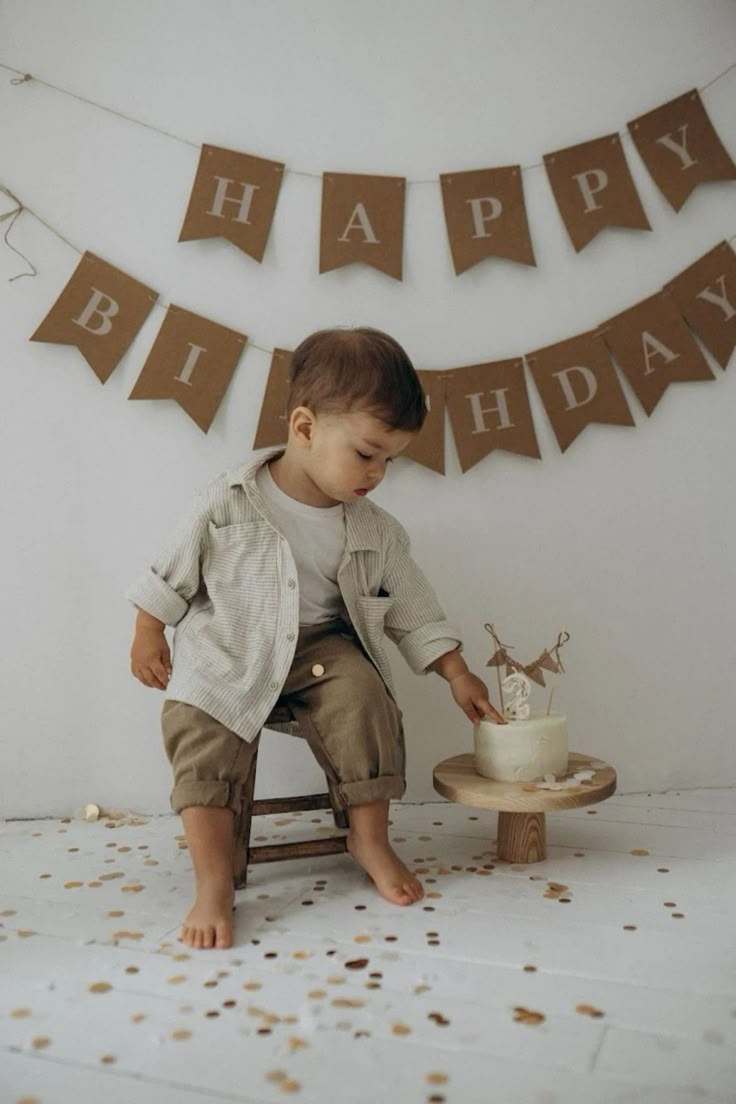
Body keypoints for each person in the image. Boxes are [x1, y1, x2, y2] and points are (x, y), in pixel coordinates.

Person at [127, 327, 504, 950]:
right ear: (305, 427)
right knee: (197, 723)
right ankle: (213, 878)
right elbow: (171, 569)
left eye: (390, 460)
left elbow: (412, 602)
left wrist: (456, 670)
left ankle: (370, 839)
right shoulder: (229, 500)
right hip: (231, 647)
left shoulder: (374, 529)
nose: (378, 473)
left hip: (324, 649)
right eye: (366, 454)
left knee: (367, 700)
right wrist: (148, 631)